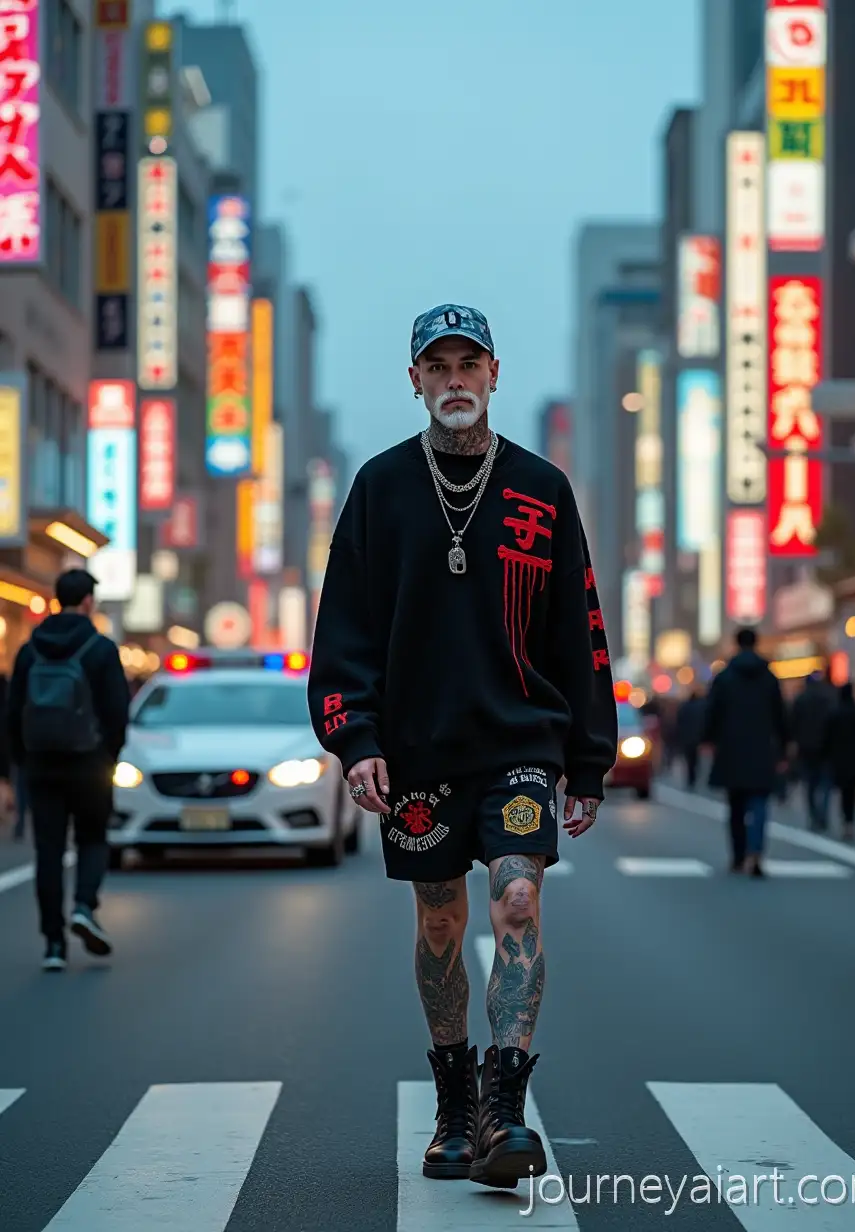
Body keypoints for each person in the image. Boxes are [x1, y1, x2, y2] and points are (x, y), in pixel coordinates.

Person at [307, 304, 617, 1188]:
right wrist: (355, 736)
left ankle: (505, 1109)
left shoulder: (541, 489)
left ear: (493, 375)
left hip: (519, 740)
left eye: (468, 365)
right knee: (440, 918)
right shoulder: (379, 487)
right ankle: (454, 1106)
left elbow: (580, 629)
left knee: (517, 898)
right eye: (437, 367)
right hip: (418, 752)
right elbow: (345, 628)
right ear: (415, 381)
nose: (454, 381)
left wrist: (588, 758)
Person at [7, 568, 130, 970]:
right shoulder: (100, 649)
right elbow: (117, 712)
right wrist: (109, 756)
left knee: (49, 850)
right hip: (90, 764)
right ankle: (83, 906)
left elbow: (12, 712)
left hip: (42, 764)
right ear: (89, 602)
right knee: (92, 839)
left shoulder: (30, 650)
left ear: (58, 599)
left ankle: (53, 945)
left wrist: (22, 761)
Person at [703, 627, 789, 877]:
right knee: (760, 803)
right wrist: (784, 748)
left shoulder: (725, 677)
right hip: (763, 748)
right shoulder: (769, 677)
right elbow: (780, 716)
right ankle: (756, 852)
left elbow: (712, 712)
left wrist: (709, 740)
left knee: (736, 807)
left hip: (731, 749)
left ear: (736, 644)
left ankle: (738, 856)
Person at [790, 671, 837, 831]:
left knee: (810, 784)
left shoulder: (801, 699)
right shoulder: (828, 698)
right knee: (825, 784)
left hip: (806, 746)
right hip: (826, 746)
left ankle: (814, 815)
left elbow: (793, 723)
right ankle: (822, 814)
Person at [823, 682, 855, 841]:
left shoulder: (834, 713)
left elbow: (827, 736)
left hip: (839, 758)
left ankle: (845, 821)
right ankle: (850, 821)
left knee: (843, 792)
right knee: (852, 792)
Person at [674, 688, 706, 789]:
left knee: (689, 759)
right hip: (696, 736)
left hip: (686, 736)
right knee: (695, 759)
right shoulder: (701, 707)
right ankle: (694, 777)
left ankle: (690, 779)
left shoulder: (685, 707)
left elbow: (679, 721)